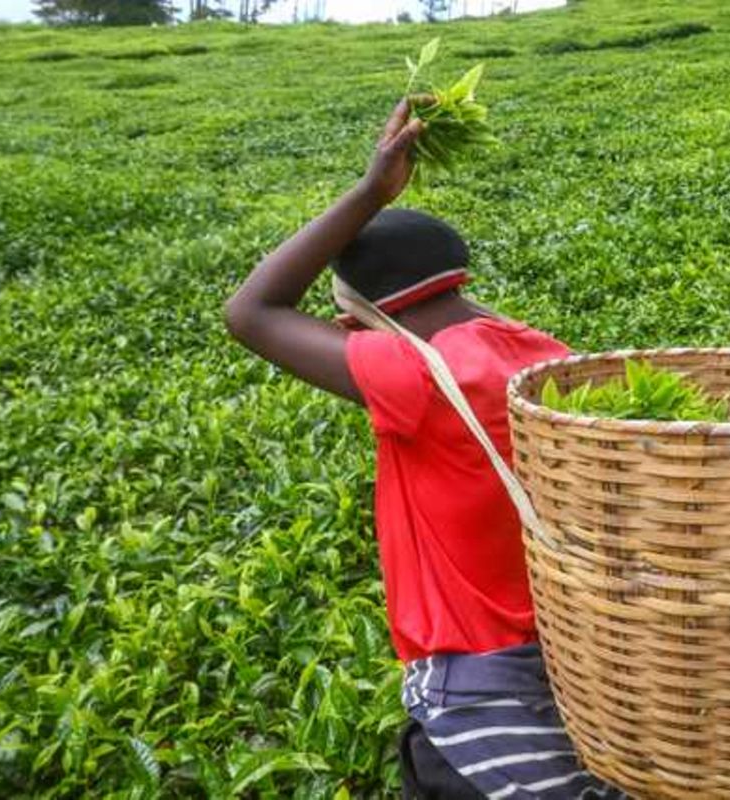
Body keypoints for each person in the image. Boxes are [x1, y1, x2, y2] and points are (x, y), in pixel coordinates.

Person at [224, 99, 624, 799]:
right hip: (585, 668)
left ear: (353, 322)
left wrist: (371, 190)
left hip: (474, 704)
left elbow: (251, 312)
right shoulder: (548, 357)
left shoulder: (416, 376)